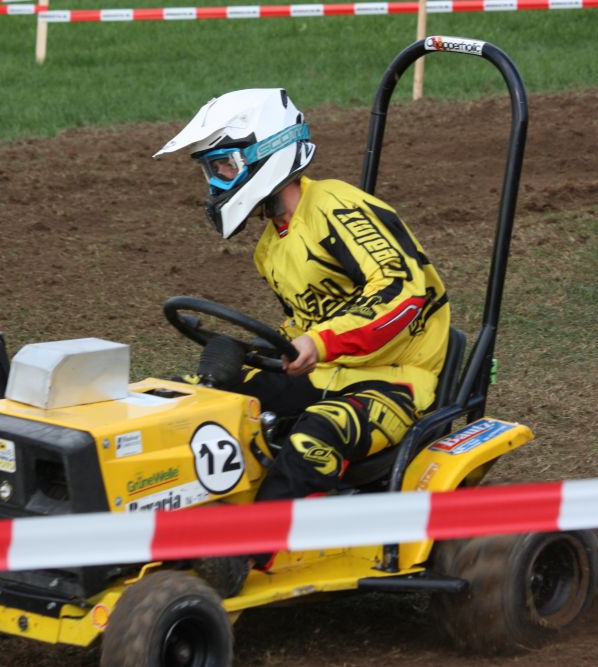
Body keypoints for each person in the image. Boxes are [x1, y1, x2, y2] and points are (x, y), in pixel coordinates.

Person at [154, 88, 449, 587]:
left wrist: (323, 342)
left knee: (315, 436)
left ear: (266, 153)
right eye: (209, 170)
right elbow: (304, 324)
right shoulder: (270, 247)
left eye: (223, 166)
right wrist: (256, 353)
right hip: (331, 371)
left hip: (395, 381)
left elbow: (402, 294)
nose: (214, 182)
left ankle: (236, 559)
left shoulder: (338, 207)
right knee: (191, 397)